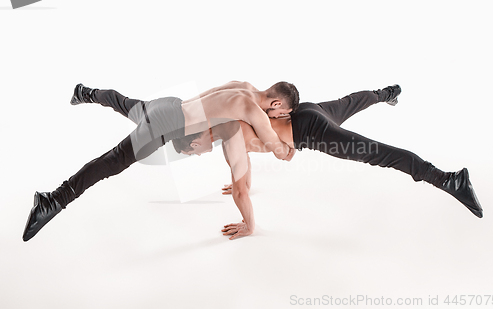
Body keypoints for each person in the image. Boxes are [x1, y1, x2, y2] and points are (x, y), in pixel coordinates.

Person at [22, 81, 300, 242]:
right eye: (281, 114)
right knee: (113, 161)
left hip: (168, 105)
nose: (277, 119)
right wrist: (290, 148)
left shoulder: (245, 87)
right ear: (276, 105)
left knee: (124, 103)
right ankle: (53, 200)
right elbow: (277, 149)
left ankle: (85, 92)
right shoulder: (254, 109)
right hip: (167, 123)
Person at [173, 85, 483, 229]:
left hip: (312, 131)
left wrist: (248, 225)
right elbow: (244, 166)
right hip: (307, 110)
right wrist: (243, 181)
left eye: (192, 151)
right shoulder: (230, 121)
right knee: (346, 104)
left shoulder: (228, 139)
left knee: (378, 153)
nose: (197, 155)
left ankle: (449, 180)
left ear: (198, 138)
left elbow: (242, 185)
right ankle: (386, 93)